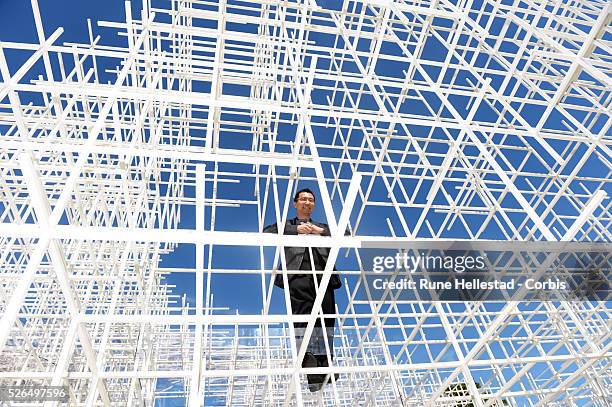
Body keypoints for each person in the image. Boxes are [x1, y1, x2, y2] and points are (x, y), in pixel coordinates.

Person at [263, 188, 341, 392]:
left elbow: (345, 233)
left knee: (326, 319)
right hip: (298, 275)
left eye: (311, 200)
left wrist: (319, 232)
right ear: (295, 203)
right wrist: (296, 230)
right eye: (303, 199)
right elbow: (266, 232)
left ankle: (325, 366)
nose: (307, 202)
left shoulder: (322, 226)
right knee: (303, 320)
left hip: (324, 275)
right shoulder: (286, 225)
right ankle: (312, 373)